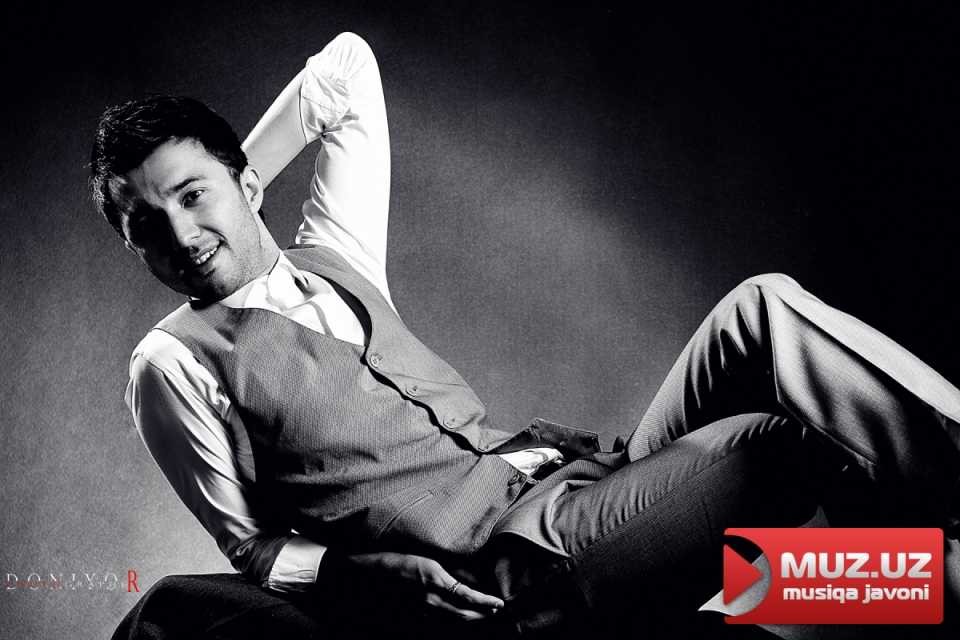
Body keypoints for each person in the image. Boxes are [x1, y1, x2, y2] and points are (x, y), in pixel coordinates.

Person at [95, 33, 960, 639]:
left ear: (247, 181)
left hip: (573, 482)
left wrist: (233, 190)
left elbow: (346, 71)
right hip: (507, 563)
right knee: (769, 448)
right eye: (146, 226)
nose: (179, 235)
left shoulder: (333, 253)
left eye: (192, 196)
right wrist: (357, 577)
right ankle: (920, 581)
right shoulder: (171, 361)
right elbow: (250, 547)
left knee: (759, 312)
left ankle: (931, 575)